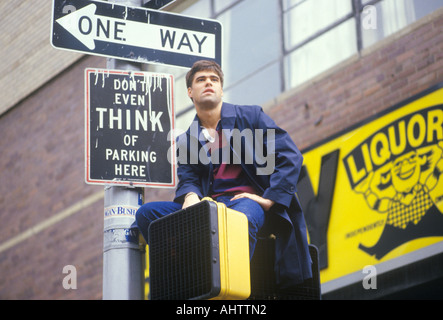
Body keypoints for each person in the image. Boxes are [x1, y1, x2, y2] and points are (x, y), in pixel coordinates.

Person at [136, 60, 312, 288]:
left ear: (220, 88)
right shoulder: (186, 140)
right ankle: (180, 281)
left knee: (239, 220)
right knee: (148, 215)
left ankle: (228, 289)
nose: (208, 82)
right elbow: (188, 178)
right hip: (209, 208)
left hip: (247, 204)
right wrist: (190, 196)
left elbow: (290, 156)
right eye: (201, 79)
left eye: (214, 79)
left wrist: (269, 199)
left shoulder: (250, 117)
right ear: (190, 91)